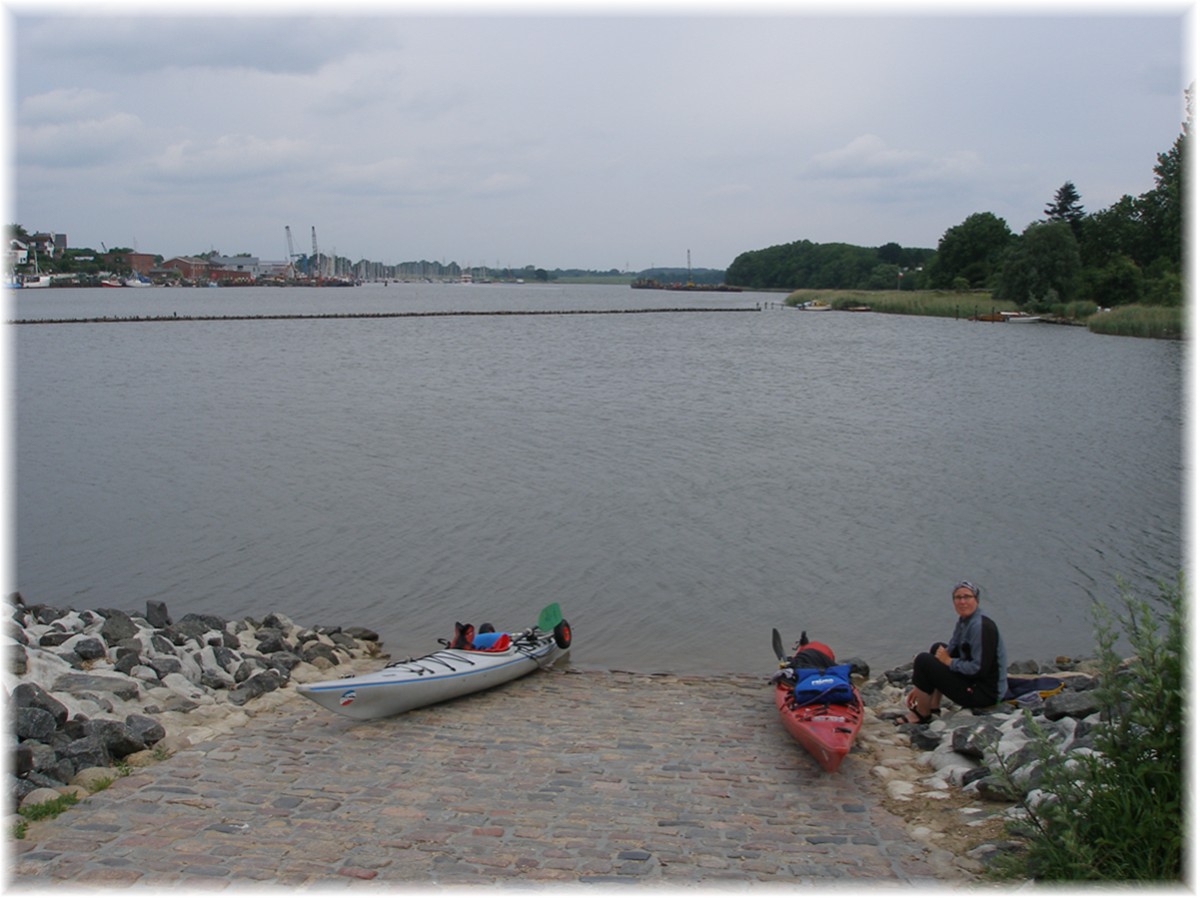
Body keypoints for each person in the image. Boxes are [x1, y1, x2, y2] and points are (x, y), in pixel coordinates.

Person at [895, 581, 1008, 725]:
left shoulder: (981, 627)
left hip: (985, 694)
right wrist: (920, 685)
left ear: (976, 600)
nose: (962, 601)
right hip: (974, 683)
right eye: (958, 597)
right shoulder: (965, 621)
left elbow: (978, 669)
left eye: (967, 597)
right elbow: (949, 651)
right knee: (937, 648)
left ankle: (921, 714)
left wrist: (949, 662)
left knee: (923, 660)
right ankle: (932, 707)